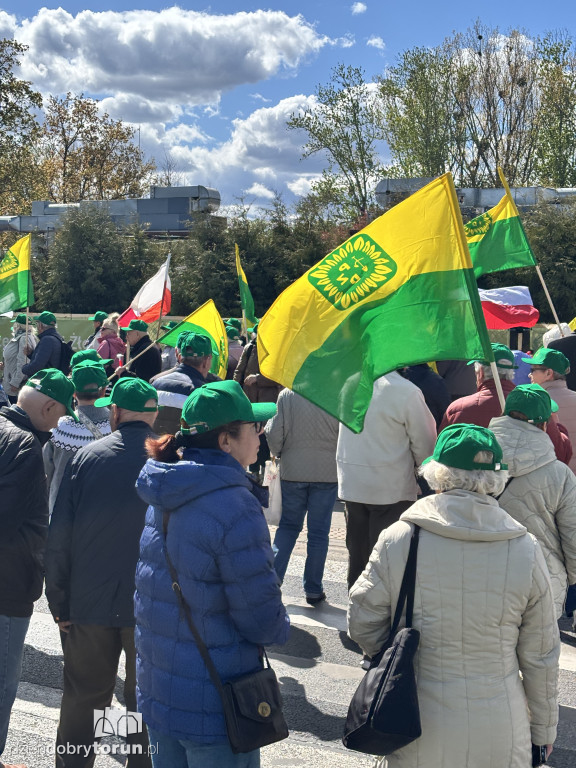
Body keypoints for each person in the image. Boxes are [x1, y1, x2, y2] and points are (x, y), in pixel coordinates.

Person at [348, 423, 560, 768]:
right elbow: (541, 655)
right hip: (501, 727)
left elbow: (362, 620)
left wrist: (394, 657)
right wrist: (544, 731)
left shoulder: (401, 538)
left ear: (437, 474)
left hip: (413, 721)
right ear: (496, 478)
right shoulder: (525, 549)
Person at [134, 380, 290, 768]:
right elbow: (261, 619)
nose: (260, 434)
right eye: (253, 427)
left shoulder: (166, 488)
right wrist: (281, 628)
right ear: (225, 441)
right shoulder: (235, 505)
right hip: (215, 702)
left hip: (159, 690)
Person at [45, 378, 159, 767]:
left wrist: (59, 601)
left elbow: (59, 535)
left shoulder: (86, 458)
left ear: (115, 413)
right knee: (142, 699)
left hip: (88, 602)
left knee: (84, 697)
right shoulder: (170, 460)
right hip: (150, 605)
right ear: (154, 414)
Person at [0, 369, 76, 768]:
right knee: (2, 683)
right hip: (8, 585)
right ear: (48, 407)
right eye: (62, 413)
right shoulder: (26, 446)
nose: (61, 422)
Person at [337, 370, 436, 590]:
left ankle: (357, 603)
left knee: (358, 556)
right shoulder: (406, 391)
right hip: (391, 486)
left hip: (353, 484)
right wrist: (424, 474)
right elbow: (426, 444)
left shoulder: (350, 384)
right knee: (387, 559)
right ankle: (382, 607)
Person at [489, 384, 576, 618]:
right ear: (544, 425)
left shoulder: (477, 462)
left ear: (504, 414)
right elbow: (573, 535)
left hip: (483, 573)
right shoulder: (560, 474)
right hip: (542, 580)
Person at [266, 388, 339, 605]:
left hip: (293, 469)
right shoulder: (336, 393)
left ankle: (272, 582)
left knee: (288, 528)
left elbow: (273, 433)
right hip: (327, 472)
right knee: (319, 534)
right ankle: (313, 589)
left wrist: (279, 452)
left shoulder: (287, 394)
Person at [43, 361, 111, 516]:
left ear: (73, 392)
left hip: (61, 511)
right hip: (102, 513)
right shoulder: (117, 426)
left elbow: (46, 472)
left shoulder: (58, 427)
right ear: (104, 391)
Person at [439, 343, 517, 430]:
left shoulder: (458, 409)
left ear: (481, 373)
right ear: (511, 372)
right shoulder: (527, 406)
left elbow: (444, 438)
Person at [526, 347, 576, 473]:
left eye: (533, 370)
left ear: (548, 373)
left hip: (551, 478)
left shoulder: (532, 403)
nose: (529, 374)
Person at [152, 332, 213, 435]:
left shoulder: (156, 384)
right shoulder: (202, 394)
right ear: (206, 361)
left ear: (180, 357)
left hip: (154, 444)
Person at [403, 364, 451, 429]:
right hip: (434, 424)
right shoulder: (435, 379)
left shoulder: (402, 379)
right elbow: (445, 407)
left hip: (410, 426)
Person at [1, 314, 36, 402]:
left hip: (15, 386)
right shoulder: (24, 337)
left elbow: (23, 362)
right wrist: (5, 365)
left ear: (18, 325)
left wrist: (15, 383)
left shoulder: (24, 338)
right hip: (13, 383)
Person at [21, 311, 65, 378]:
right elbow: (49, 359)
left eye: (37, 323)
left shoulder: (47, 340)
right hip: (53, 377)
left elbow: (37, 366)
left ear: (40, 325)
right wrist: (31, 354)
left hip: (44, 380)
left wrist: (24, 368)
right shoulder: (57, 338)